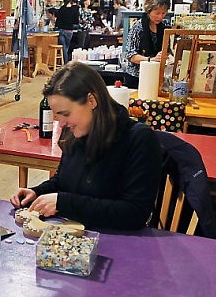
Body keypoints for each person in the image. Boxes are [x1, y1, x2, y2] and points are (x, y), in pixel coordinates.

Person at [9, 61, 162, 230]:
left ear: (91, 100)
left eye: (65, 114)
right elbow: (64, 181)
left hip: (119, 242)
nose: (61, 124)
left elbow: (135, 214)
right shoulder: (75, 134)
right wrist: (37, 193)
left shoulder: (139, 140)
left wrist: (64, 203)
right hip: (76, 236)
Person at [125, 0, 171, 87]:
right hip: (137, 77)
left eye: (163, 13)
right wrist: (151, 59)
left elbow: (167, 49)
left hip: (155, 75)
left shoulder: (164, 26)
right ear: (149, 10)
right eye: (157, 13)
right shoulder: (138, 27)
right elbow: (130, 55)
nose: (160, 17)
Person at [54, 0, 79, 64]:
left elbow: (58, 20)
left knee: (63, 48)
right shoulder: (74, 10)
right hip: (69, 31)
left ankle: (65, 62)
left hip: (61, 30)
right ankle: (64, 62)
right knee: (66, 48)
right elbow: (76, 21)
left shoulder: (61, 9)